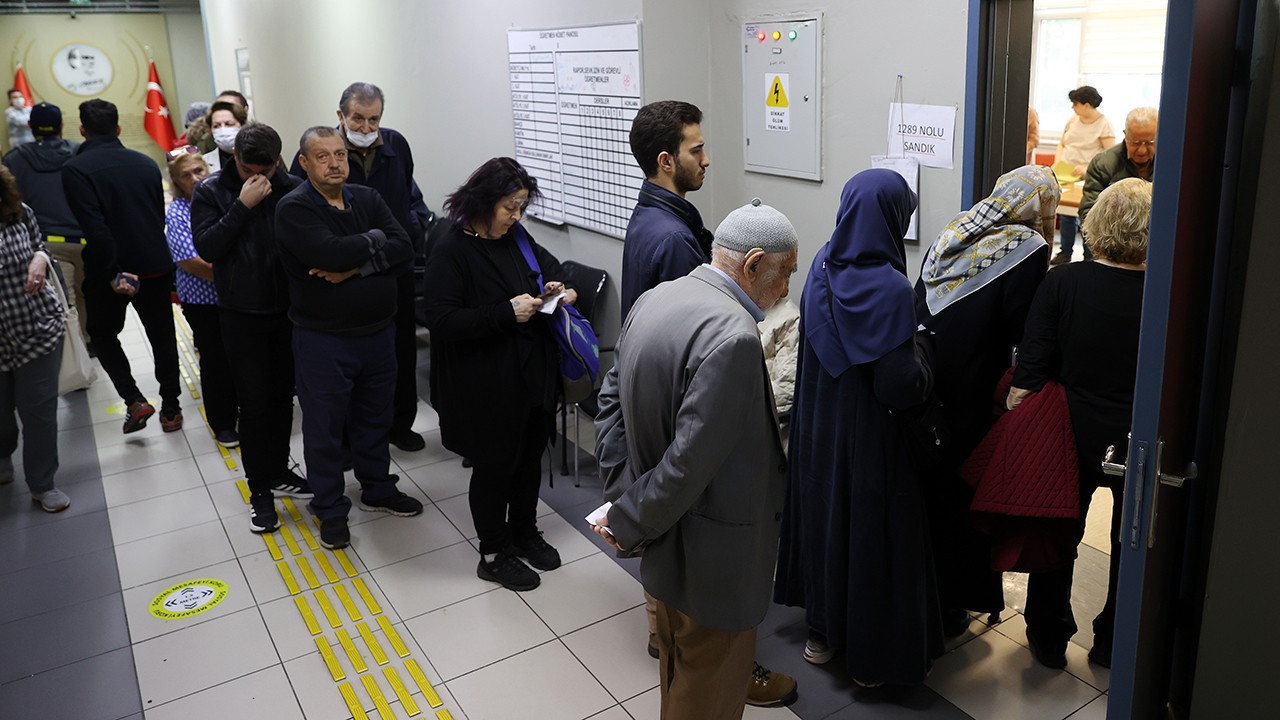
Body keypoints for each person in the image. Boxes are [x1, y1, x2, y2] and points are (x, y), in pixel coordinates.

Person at [593, 198, 800, 719]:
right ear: (753, 264)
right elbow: (690, 461)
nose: (786, 290)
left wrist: (624, 497)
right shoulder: (733, 336)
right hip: (713, 561)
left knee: (676, 673)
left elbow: (609, 402)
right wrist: (630, 516)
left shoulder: (656, 298)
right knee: (709, 691)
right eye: (785, 274)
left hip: (664, 544)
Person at [774, 169, 942, 686]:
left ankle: (822, 634)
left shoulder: (822, 265)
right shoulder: (892, 289)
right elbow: (899, 386)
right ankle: (871, 658)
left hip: (819, 426)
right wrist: (926, 352)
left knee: (827, 520)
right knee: (872, 532)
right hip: (871, 437)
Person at [1008, 178, 1153, 670]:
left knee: (1059, 536)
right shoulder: (1162, 293)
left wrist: (1016, 414)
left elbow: (1032, 362)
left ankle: (1048, 636)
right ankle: (1113, 641)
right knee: (1129, 541)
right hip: (1139, 436)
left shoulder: (1064, 280)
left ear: (1097, 223)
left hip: (1069, 428)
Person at [914, 165, 1060, 636]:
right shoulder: (1028, 248)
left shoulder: (954, 229)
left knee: (930, 487)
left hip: (925, 376)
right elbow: (1024, 327)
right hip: (974, 387)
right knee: (965, 492)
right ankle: (956, 600)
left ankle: (922, 590)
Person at [422, 157, 570, 592]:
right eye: (510, 207)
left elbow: (552, 267)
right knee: (494, 469)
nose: (517, 216)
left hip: (531, 378)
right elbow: (443, 320)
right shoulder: (450, 249)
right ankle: (494, 551)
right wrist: (505, 313)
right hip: (483, 384)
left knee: (527, 461)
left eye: (522, 206)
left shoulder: (515, 237)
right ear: (484, 203)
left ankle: (525, 532)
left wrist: (554, 290)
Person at [275, 126, 420, 548]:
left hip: (378, 334)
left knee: (375, 418)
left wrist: (357, 267)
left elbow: (404, 246)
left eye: (339, 154)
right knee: (324, 428)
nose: (335, 162)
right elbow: (329, 254)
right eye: (323, 157)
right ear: (303, 163)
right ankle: (330, 507)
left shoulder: (368, 198)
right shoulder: (294, 208)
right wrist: (374, 243)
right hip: (324, 340)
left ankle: (378, 488)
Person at [291, 82, 434, 452]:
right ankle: (351, 438)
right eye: (358, 118)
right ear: (341, 116)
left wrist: (409, 231)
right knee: (348, 366)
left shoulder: (396, 145)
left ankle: (400, 425)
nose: (366, 128)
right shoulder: (319, 154)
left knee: (399, 352)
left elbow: (408, 196)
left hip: (391, 270)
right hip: (337, 278)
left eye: (374, 120)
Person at [192, 122, 312, 534]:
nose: (258, 176)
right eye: (247, 168)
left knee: (283, 399)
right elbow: (208, 247)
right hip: (241, 312)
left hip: (289, 312)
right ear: (235, 159)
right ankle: (259, 490)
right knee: (255, 405)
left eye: (266, 167)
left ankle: (278, 471)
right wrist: (241, 205)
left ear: (277, 159)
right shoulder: (211, 191)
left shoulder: (293, 186)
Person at [62, 99, 182, 434]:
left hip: (108, 271)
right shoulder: (145, 164)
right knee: (162, 337)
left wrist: (114, 272)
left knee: (102, 334)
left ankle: (134, 400)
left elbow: (95, 228)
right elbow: (156, 216)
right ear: (118, 128)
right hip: (154, 265)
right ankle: (171, 409)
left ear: (83, 129)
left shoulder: (76, 170)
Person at [0, 165, 69, 512]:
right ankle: (2, 453)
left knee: (39, 410)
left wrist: (40, 259)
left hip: (36, 327)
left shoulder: (18, 212)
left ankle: (43, 484)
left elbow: (39, 243)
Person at [165, 151, 239, 448]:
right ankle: (222, 423)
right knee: (216, 361)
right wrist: (236, 278)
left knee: (241, 357)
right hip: (204, 301)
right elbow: (190, 261)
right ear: (176, 182)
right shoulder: (179, 212)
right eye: (186, 175)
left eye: (199, 170)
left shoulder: (225, 199)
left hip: (237, 296)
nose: (195, 178)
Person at [3, 102, 89, 348]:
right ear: (61, 125)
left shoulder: (14, 159)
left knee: (65, 301)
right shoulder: (79, 152)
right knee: (88, 297)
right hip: (86, 239)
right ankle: (90, 343)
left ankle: (75, 353)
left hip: (46, 245)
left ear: (30, 127)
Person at [619, 100, 713, 322]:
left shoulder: (646, 214)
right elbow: (693, 328)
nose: (706, 160)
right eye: (696, 151)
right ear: (666, 162)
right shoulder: (675, 240)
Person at [1051, 86, 1115, 265]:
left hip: (1089, 178)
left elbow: (1110, 153)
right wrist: (1057, 162)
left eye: (1076, 103)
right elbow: (1062, 144)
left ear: (1087, 105)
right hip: (1067, 174)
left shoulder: (1104, 124)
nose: (1073, 107)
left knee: (1088, 214)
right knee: (1065, 215)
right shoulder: (1073, 120)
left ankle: (1090, 254)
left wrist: (1088, 168)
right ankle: (1065, 251)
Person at [1078, 107, 1158, 230]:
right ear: (1126, 136)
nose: (1142, 150)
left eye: (1150, 143)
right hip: (1111, 241)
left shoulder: (1171, 166)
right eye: (1135, 142)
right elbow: (1088, 213)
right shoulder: (1103, 164)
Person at [203, 100, 246, 174]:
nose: (223, 130)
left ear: (242, 126)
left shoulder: (259, 155)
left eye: (229, 124)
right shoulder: (203, 161)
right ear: (210, 130)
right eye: (216, 126)